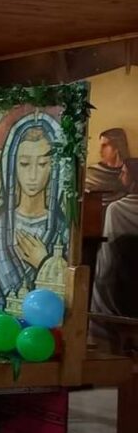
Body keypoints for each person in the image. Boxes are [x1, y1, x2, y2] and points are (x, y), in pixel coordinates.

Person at [0, 118, 66, 304]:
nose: (33, 175)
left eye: (42, 164)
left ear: (54, 167)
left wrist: (44, 263)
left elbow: (67, 298)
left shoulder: (61, 229)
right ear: (12, 166)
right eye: (24, 164)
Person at [91, 158, 138, 354]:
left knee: (100, 285)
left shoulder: (116, 209)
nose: (120, 176)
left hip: (122, 288)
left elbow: (108, 256)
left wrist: (100, 281)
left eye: (124, 172)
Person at [85, 128, 131, 200]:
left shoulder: (129, 172)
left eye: (104, 146)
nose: (100, 151)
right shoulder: (92, 173)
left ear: (117, 147)